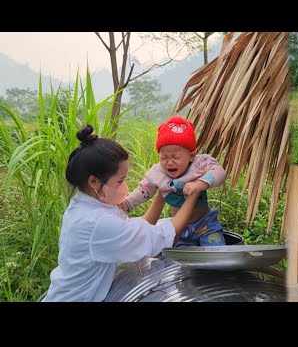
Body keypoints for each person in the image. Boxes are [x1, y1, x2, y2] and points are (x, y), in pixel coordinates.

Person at [43, 125, 201, 302]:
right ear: (94, 182)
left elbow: (140, 230)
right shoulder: (96, 222)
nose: (125, 187)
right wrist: (194, 193)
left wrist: (163, 190)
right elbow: (163, 237)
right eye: (120, 181)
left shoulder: (87, 205)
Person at [120, 116, 227, 247]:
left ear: (191, 156)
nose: (169, 162)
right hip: (179, 228)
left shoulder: (200, 163)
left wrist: (200, 184)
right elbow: (143, 190)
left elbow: (220, 172)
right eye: (164, 157)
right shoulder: (158, 173)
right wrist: (127, 203)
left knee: (216, 252)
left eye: (176, 157)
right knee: (181, 261)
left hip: (205, 224)